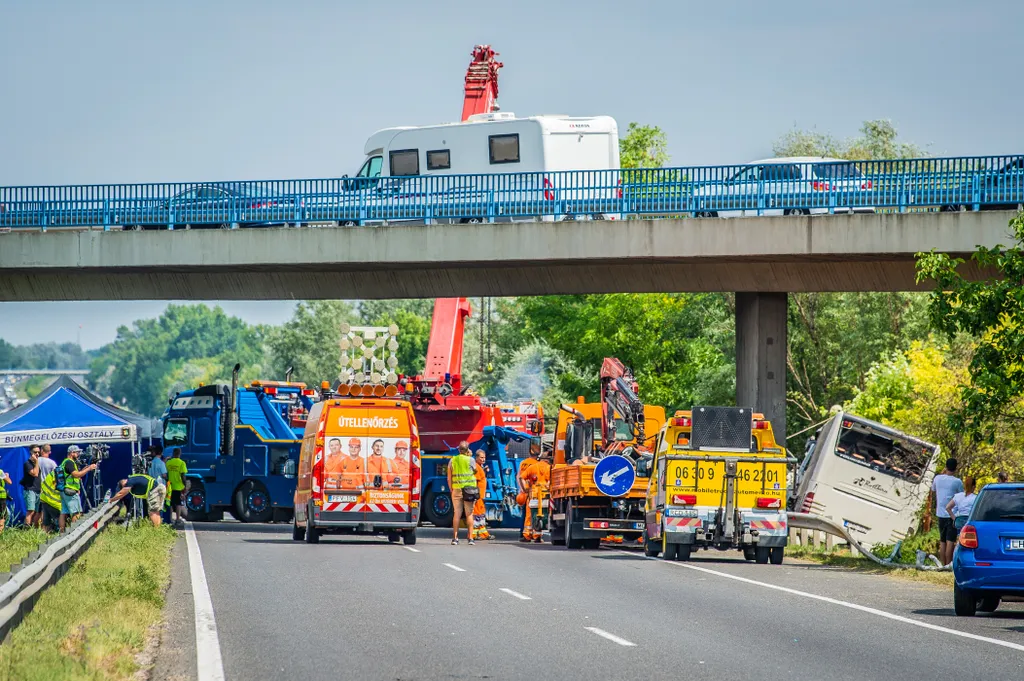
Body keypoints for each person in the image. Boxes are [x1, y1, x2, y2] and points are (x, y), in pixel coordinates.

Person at [930, 457, 964, 566]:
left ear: (946, 466)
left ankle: (942, 563)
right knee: (951, 541)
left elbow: (933, 489)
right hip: (952, 514)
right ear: (956, 468)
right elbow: (961, 495)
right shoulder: (957, 482)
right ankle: (948, 564)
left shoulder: (938, 478)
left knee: (942, 540)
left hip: (940, 514)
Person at [56, 445, 97, 531]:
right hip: (70, 491)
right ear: (72, 453)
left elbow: (73, 475)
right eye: (77, 452)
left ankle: (61, 531)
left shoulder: (65, 462)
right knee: (76, 512)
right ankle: (75, 530)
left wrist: (84, 469)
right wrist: (89, 469)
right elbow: (76, 475)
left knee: (64, 512)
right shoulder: (69, 462)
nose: (78, 454)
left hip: (64, 490)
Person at [447, 441, 477, 545]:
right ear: (468, 449)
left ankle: (455, 538)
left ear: (459, 449)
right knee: (469, 514)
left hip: (456, 489)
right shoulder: (471, 460)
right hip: (469, 490)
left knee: (457, 514)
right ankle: (470, 538)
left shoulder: (452, 460)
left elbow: (449, 478)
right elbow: (475, 471)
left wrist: (451, 489)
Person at [522, 448, 552, 543]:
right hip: (545, 494)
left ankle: (527, 535)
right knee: (542, 514)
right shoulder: (550, 468)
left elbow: (521, 477)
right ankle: (537, 535)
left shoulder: (533, 467)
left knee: (530, 514)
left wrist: (524, 489)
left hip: (533, 494)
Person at [517, 439, 540, 542]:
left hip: (524, 490)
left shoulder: (523, 463)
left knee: (524, 514)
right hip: (532, 491)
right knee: (532, 513)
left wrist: (521, 489)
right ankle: (533, 534)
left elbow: (519, 476)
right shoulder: (536, 465)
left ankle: (523, 532)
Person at [165, 447, 189, 528]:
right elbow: (183, 475)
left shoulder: (169, 463)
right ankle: (178, 519)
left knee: (171, 503)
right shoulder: (181, 463)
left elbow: (166, 473)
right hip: (178, 486)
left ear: (173, 453)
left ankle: (170, 518)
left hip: (170, 486)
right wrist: (185, 485)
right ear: (179, 454)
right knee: (178, 503)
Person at [471, 449, 491, 541]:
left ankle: (483, 533)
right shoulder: (476, 467)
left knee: (481, 514)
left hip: (481, 495)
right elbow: (475, 481)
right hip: (478, 495)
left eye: (484, 458)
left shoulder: (479, 467)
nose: (483, 459)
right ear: (477, 457)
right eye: (481, 457)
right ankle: (474, 534)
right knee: (477, 514)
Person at [21, 445, 42, 527]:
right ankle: (26, 529)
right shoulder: (27, 464)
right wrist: (36, 462)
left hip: (38, 490)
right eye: (35, 452)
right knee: (31, 511)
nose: (37, 454)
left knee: (37, 512)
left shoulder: (36, 464)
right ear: (30, 453)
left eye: (38, 452)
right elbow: (35, 474)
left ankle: (34, 530)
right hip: (30, 490)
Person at [38, 468, 62, 532]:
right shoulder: (65, 475)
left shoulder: (53, 473)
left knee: (46, 522)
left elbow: (43, 485)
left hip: (45, 499)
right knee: (59, 521)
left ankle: (43, 537)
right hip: (55, 503)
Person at [0, 466, 11, 533]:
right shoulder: (0, 471)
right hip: (1, 496)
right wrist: (6, 476)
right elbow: (9, 482)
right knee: (3, 516)